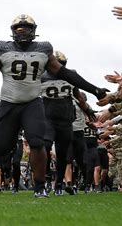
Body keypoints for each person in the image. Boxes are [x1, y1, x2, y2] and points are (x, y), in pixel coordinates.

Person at [0, 14, 108, 198]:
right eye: (18, 28)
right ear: (12, 31)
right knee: (1, 147)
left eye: (26, 28)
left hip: (32, 102)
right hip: (8, 103)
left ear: (34, 31)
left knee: (38, 143)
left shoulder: (43, 49)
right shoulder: (1, 48)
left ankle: (40, 186)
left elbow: (65, 74)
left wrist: (94, 89)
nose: (22, 32)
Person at [40, 51, 95, 196]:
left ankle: (59, 183)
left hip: (65, 119)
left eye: (62, 64)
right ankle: (46, 178)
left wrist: (88, 111)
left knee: (63, 154)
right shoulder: (41, 77)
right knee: (45, 146)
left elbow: (78, 97)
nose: (59, 67)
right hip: (48, 118)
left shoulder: (70, 76)